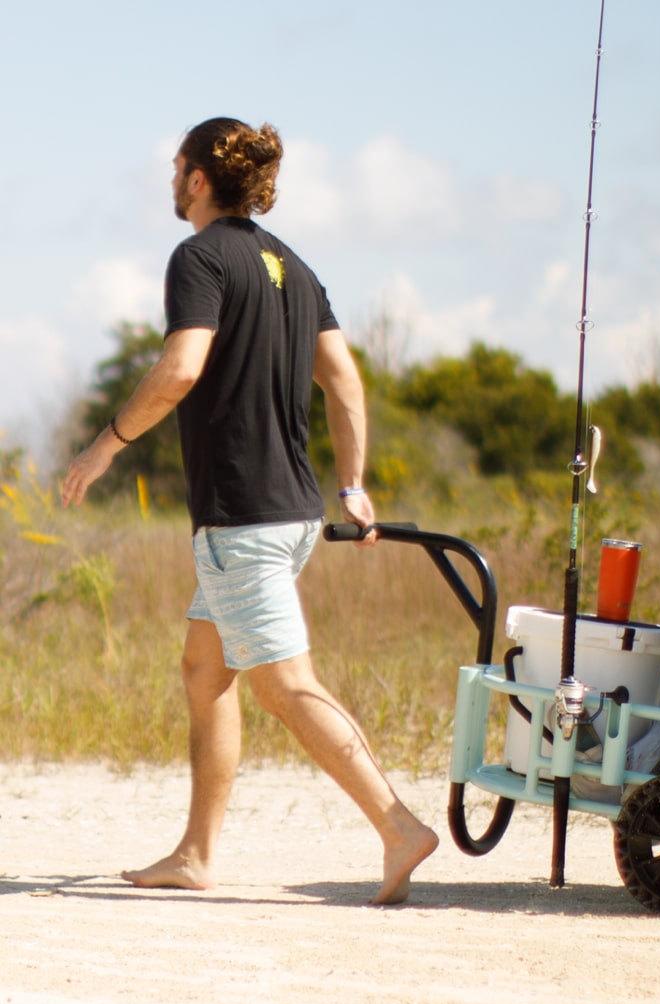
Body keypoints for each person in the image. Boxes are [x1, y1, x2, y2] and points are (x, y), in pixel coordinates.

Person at [61, 117, 438, 905]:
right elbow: (345, 381)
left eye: (176, 169)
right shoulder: (290, 265)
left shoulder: (198, 257)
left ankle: (399, 826)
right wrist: (352, 484)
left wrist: (105, 446)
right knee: (206, 670)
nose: (171, 181)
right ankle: (196, 854)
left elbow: (181, 366)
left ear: (199, 179)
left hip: (244, 520)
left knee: (284, 685)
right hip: (292, 513)